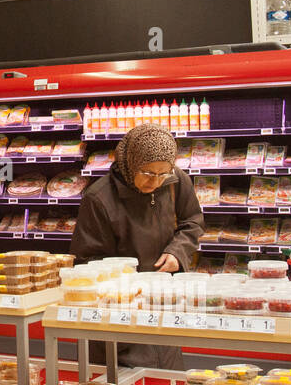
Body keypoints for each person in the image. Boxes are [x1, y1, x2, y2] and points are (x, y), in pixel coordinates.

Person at [70, 123, 204, 370]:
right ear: (130, 163)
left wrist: (177, 251)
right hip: (120, 314)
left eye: (163, 173)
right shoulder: (99, 199)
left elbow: (192, 221)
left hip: (163, 304)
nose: (155, 182)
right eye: (148, 173)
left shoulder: (176, 182)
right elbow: (86, 261)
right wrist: (123, 283)